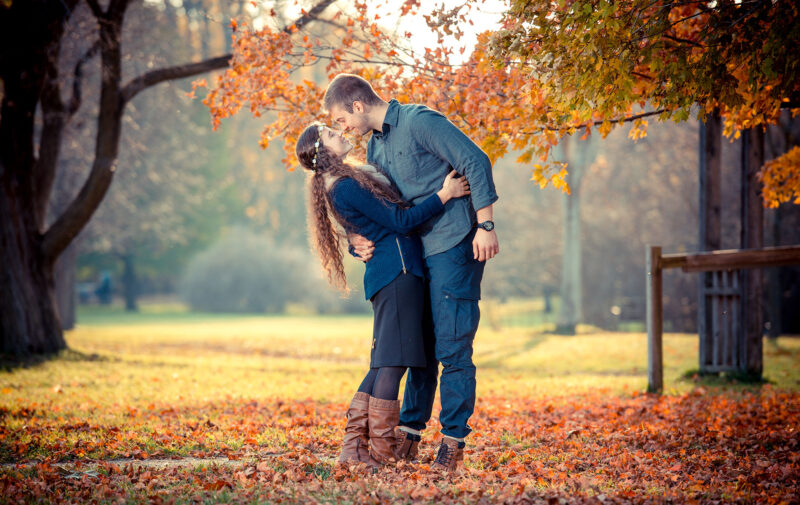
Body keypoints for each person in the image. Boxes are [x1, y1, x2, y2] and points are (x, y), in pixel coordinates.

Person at [323, 74, 500, 472]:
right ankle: (409, 433)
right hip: (415, 257)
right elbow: (381, 209)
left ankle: (453, 442)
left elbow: (475, 160)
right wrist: (355, 239)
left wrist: (486, 225)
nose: (342, 128)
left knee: (452, 347)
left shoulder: (420, 121)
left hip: (453, 243)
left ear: (357, 105)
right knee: (420, 351)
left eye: (341, 119)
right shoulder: (374, 145)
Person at [294, 123, 471, 468]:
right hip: (397, 273)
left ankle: (356, 448)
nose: (339, 132)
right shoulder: (345, 186)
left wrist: (354, 242)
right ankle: (379, 452)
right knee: (392, 363)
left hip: (390, 274)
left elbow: (374, 224)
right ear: (323, 151)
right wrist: (445, 194)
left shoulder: (345, 182)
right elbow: (401, 221)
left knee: (384, 363)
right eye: (330, 133)